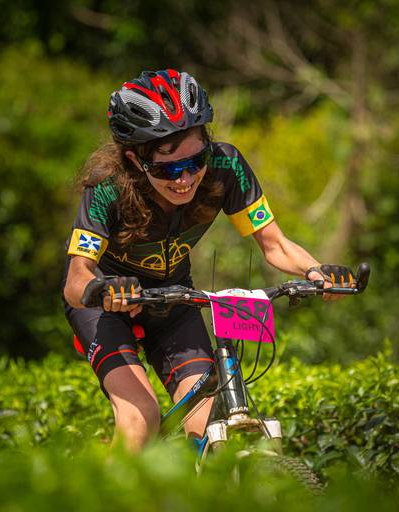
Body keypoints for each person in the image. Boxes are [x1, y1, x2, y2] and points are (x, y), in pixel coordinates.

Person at [62, 69, 356, 452]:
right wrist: (102, 289)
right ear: (135, 159)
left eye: (195, 161)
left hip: (173, 298)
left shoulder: (226, 167)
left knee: (209, 424)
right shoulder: (107, 187)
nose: (185, 179)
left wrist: (317, 271)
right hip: (106, 304)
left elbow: (275, 245)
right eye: (168, 168)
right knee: (140, 420)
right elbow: (75, 280)